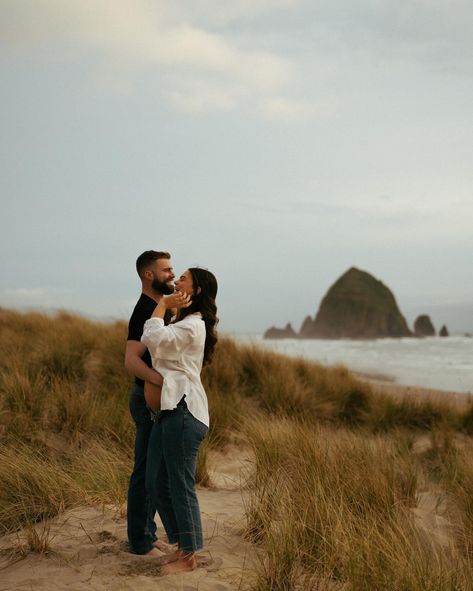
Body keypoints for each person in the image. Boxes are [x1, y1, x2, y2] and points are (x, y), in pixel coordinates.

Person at [141, 267, 218, 575]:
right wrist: (169, 310)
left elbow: (153, 339)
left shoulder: (193, 326)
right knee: (155, 480)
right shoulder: (184, 322)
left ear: (195, 291)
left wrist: (161, 305)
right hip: (170, 409)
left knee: (179, 484)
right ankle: (182, 544)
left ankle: (189, 554)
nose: (176, 282)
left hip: (185, 411)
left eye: (183, 279)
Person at [124, 250, 175, 556]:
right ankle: (141, 539)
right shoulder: (145, 309)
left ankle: (146, 532)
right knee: (146, 472)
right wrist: (160, 381)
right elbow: (131, 361)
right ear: (149, 275)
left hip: (157, 400)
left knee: (154, 470)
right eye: (166, 269)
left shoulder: (161, 308)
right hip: (146, 401)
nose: (172, 273)